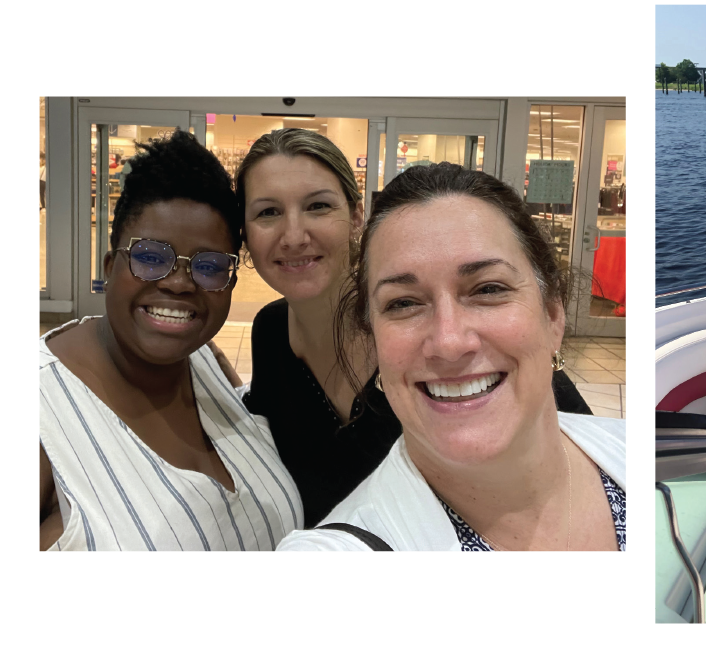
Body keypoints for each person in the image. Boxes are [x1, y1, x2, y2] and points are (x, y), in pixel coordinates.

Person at [226, 129, 594, 529]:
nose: (294, 236)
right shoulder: (270, 333)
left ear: (355, 217)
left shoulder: (429, 341)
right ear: (244, 233)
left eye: (318, 206)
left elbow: (582, 459)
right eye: (268, 213)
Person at [38, 130, 302, 551]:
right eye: (149, 257)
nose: (179, 283)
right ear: (109, 268)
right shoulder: (48, 408)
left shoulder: (204, 363)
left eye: (209, 266)